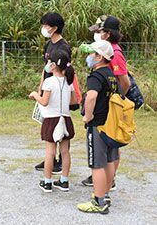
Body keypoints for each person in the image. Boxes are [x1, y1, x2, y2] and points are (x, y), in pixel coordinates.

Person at [81, 15, 129, 189]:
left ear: (108, 34)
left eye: (100, 31)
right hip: (107, 115)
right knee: (109, 154)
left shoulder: (113, 54)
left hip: (102, 117)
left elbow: (125, 82)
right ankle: (106, 187)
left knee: (100, 161)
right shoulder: (109, 53)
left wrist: (116, 102)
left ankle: (102, 193)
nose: (97, 34)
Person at [77, 40, 118, 214]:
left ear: (99, 56)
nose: (89, 56)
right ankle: (105, 194)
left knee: (96, 164)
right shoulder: (111, 75)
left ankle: (98, 201)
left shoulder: (96, 76)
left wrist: (88, 116)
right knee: (108, 161)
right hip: (110, 124)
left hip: (98, 125)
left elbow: (92, 97)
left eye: (92, 53)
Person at [29, 50, 76, 193]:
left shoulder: (49, 82)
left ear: (54, 65)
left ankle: (47, 182)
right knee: (65, 152)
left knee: (50, 152)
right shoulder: (69, 83)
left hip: (51, 120)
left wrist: (35, 95)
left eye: (50, 62)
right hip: (66, 119)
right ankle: (64, 181)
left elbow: (44, 101)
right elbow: (73, 102)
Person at [35, 12, 72, 174]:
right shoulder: (48, 45)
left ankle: (57, 160)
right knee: (48, 122)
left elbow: (67, 70)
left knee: (58, 122)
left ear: (55, 28)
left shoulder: (64, 46)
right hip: (48, 86)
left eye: (46, 25)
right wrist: (41, 86)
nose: (43, 28)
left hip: (58, 89)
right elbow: (45, 68)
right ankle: (52, 159)